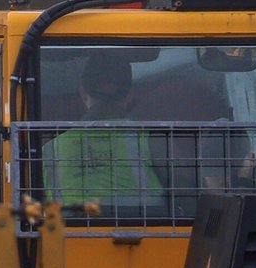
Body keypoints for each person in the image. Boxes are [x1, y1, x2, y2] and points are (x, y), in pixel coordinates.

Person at [44, 55, 165, 213]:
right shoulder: (151, 139)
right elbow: (186, 188)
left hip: (69, 235)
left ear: (83, 93)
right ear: (129, 94)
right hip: (152, 234)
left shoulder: (50, 149)